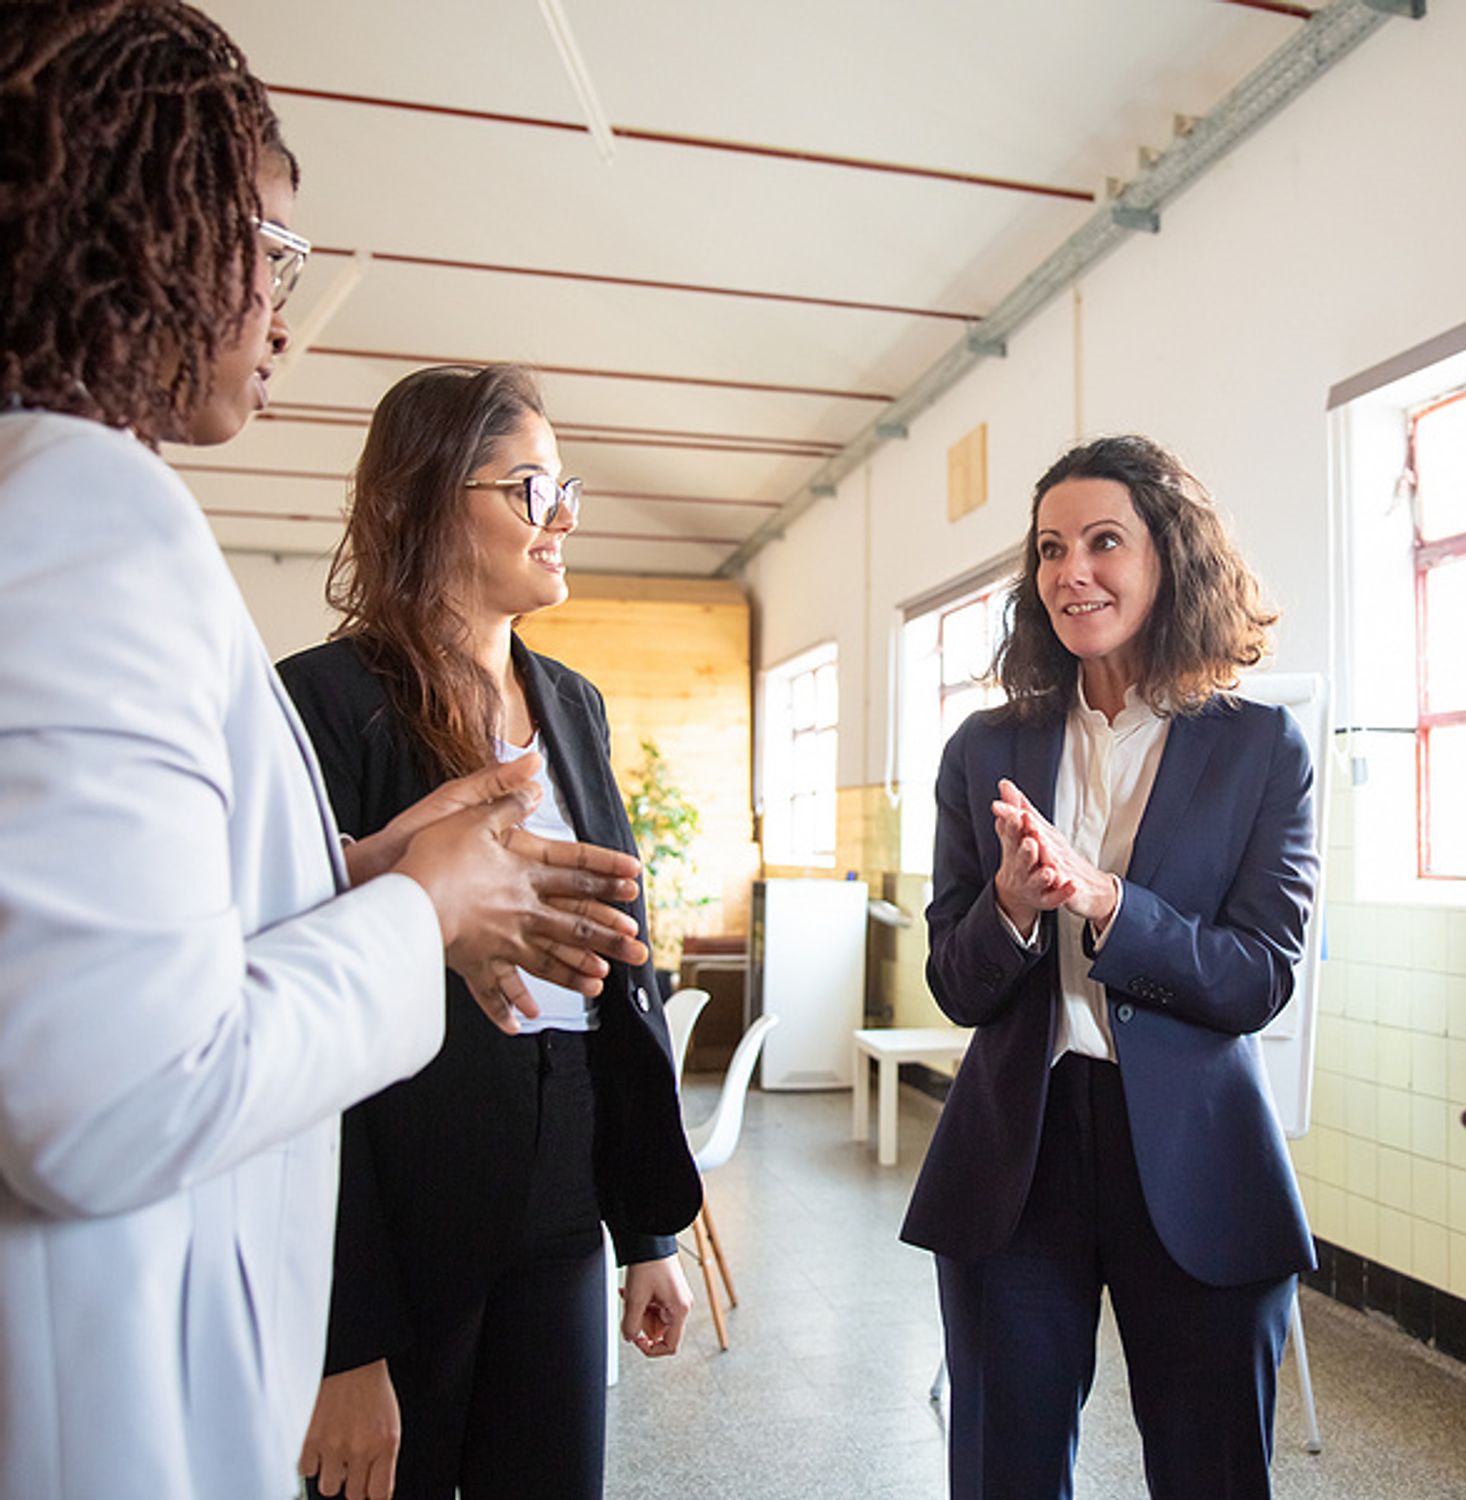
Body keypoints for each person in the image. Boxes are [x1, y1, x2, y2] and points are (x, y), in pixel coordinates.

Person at [0, 6, 650, 1499]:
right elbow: (107, 1097)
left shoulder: (53, 499)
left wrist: (371, 875)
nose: (283, 309)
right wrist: (420, 911)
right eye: (272, 251)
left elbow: (123, 935)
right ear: (147, 222)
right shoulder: (91, 516)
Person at [280, 364, 704, 1500]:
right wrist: (342, 1342)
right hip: (405, 1194)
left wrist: (645, 1233)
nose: (561, 517)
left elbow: (618, 961)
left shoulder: (572, 702)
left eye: (565, 488)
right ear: (425, 498)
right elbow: (303, 1034)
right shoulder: (325, 704)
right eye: (529, 488)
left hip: (561, 1188)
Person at [901, 435, 1319, 1499]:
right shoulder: (981, 750)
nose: (1069, 572)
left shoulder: (1261, 749)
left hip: (1193, 1156)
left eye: (1101, 542)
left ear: (1169, 558)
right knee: (1005, 1467)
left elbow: (1256, 978)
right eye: (1048, 549)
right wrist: (1009, 905)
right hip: (1018, 1156)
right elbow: (955, 985)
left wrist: (1105, 902)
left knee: (1210, 1469)